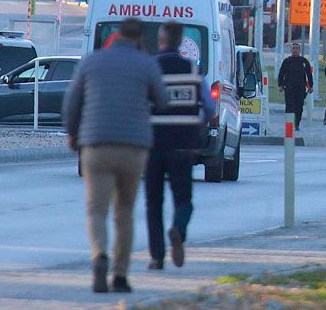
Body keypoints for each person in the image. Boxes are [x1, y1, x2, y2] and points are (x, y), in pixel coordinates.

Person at [64, 18, 167, 294]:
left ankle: (99, 255)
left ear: (118, 35)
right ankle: (120, 275)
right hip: (133, 147)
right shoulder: (147, 64)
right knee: (124, 211)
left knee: (96, 209)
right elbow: (163, 100)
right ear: (140, 39)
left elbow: (72, 103)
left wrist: (73, 134)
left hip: (96, 144)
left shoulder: (92, 61)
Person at [144, 22, 216, 270]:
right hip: (184, 145)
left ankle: (156, 256)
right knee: (183, 199)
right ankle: (178, 230)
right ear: (179, 42)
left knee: (153, 202)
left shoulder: (150, 68)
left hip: (153, 144)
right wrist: (194, 123)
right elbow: (209, 108)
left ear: (161, 40)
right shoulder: (192, 69)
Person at [277, 42, 313, 131]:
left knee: (299, 107)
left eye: (297, 48)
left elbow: (309, 74)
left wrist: (311, 86)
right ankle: (289, 124)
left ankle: (296, 124)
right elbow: (281, 74)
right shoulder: (287, 61)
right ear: (291, 50)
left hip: (300, 88)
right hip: (289, 88)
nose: (295, 50)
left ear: (299, 50)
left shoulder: (304, 62)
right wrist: (280, 85)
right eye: (293, 48)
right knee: (290, 106)